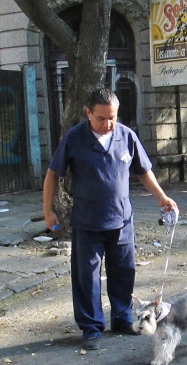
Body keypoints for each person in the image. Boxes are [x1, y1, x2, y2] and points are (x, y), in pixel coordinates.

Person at [43, 89, 178, 351]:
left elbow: (144, 171)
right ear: (88, 113)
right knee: (87, 277)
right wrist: (49, 211)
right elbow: (52, 175)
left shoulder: (126, 136)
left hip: (122, 219)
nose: (107, 124)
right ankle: (91, 328)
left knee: (123, 272)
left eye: (112, 118)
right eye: (101, 118)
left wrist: (161, 197)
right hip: (87, 222)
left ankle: (121, 318)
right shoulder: (74, 139)